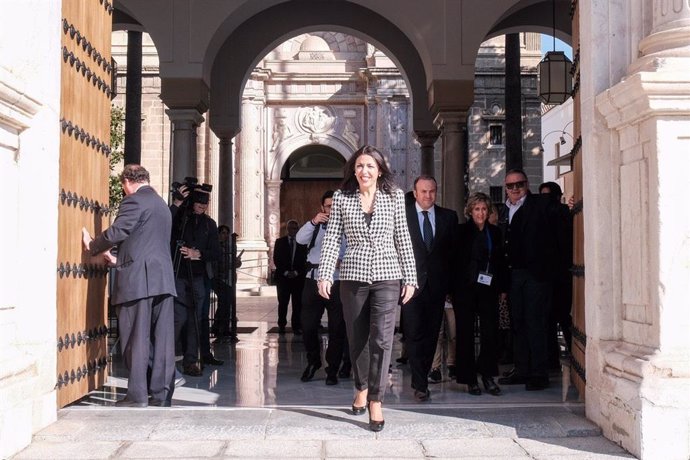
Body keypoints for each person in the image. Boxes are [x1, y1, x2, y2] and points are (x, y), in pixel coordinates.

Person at [318, 145, 417, 432]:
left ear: (380, 170)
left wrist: (410, 277)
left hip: (388, 274)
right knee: (357, 338)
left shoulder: (395, 197)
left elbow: (403, 237)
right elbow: (333, 238)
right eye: (360, 166)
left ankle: (376, 399)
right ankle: (360, 386)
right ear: (353, 170)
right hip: (353, 275)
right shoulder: (342, 198)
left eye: (370, 166)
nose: (364, 171)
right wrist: (324, 274)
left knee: (382, 339)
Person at [82, 164, 176, 407]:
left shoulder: (134, 201)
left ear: (127, 182)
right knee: (163, 340)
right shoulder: (161, 205)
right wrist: (118, 259)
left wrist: (93, 245)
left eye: (123, 186)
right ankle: (161, 394)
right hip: (163, 280)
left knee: (136, 338)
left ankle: (136, 396)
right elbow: (146, 243)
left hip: (139, 282)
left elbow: (119, 230)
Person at [497, 169, 559, 391]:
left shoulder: (540, 204)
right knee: (518, 324)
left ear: (527, 184)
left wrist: (571, 205)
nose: (515, 189)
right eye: (510, 186)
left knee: (536, 324)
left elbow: (559, 214)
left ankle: (539, 373)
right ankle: (522, 370)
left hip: (536, 275)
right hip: (514, 275)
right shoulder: (505, 210)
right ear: (506, 188)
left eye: (519, 184)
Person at [402, 175, 458, 401]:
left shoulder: (448, 217)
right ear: (415, 193)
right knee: (414, 334)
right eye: (423, 191)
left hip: (437, 287)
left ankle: (423, 376)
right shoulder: (402, 216)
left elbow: (453, 255)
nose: (428, 196)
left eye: (432, 191)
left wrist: (451, 288)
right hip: (410, 287)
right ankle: (420, 383)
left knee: (432, 335)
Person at [453, 192, 507, 396]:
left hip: (488, 288)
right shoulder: (460, 232)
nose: (481, 213)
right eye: (477, 209)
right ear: (470, 211)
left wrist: (502, 288)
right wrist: (451, 290)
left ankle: (487, 376)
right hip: (464, 290)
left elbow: (500, 262)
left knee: (489, 333)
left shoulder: (495, 232)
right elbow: (454, 262)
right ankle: (469, 379)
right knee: (465, 334)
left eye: (484, 209)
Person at [296, 190, 348, 385]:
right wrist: (313, 222)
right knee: (307, 326)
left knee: (337, 328)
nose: (332, 210)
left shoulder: (347, 226)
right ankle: (313, 361)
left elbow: (354, 250)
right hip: (313, 280)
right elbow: (300, 240)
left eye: (335, 206)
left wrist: (342, 262)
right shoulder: (315, 226)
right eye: (328, 206)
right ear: (322, 208)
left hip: (337, 281)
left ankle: (332, 368)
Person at [170, 186, 222, 376]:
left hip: (198, 276)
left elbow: (216, 253)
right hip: (177, 275)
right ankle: (165, 360)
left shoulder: (209, 224)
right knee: (177, 318)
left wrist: (197, 254)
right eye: (199, 202)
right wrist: (177, 203)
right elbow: (165, 224)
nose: (202, 206)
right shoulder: (181, 219)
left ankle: (191, 361)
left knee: (194, 319)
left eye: (205, 202)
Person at [539, 181, 573, 366]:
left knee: (560, 315)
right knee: (551, 317)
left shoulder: (561, 214)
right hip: (549, 274)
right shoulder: (560, 213)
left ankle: (571, 354)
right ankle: (553, 357)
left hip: (561, 273)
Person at [273, 219, 308, 334]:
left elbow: (304, 261)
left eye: (296, 228)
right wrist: (286, 272)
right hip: (283, 278)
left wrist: (296, 272)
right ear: (287, 229)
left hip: (298, 279)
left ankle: (296, 326)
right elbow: (277, 259)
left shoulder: (302, 243)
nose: (294, 230)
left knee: (297, 303)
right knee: (283, 303)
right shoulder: (280, 242)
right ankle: (281, 325)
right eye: (292, 228)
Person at [212, 226, 243, 343]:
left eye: (227, 233)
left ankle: (224, 327)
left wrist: (237, 263)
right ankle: (219, 327)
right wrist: (231, 265)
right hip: (220, 279)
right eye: (223, 233)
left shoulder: (229, 247)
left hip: (230, 279)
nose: (225, 236)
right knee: (223, 303)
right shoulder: (216, 247)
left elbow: (234, 262)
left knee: (227, 304)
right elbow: (218, 266)